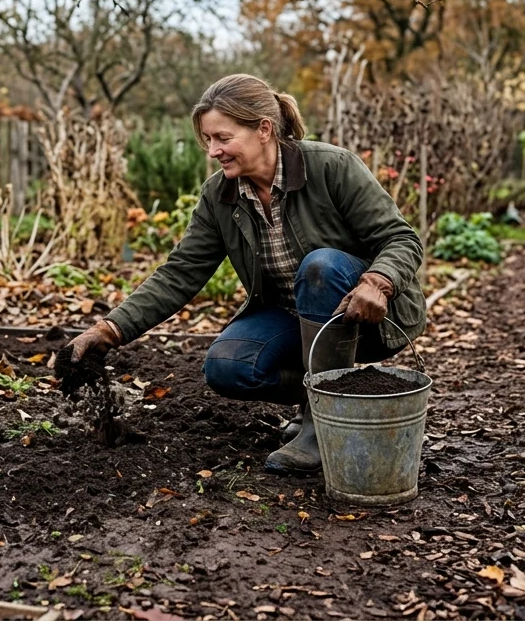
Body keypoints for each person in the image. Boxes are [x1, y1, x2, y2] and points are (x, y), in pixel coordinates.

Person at [61, 73, 426, 474]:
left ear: (264, 130)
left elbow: (401, 238)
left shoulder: (331, 167)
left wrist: (378, 282)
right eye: (208, 140)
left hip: (364, 315)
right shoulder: (220, 195)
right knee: (229, 366)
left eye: (223, 137)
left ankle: (321, 427)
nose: (213, 151)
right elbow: (180, 272)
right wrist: (110, 329)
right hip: (294, 319)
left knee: (320, 266)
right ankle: (326, 399)